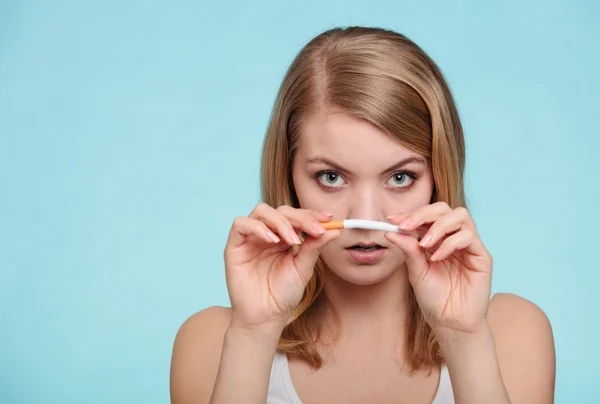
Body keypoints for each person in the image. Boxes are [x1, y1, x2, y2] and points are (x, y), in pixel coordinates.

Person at [169, 26, 556, 404]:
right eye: (332, 177)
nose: (367, 217)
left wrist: (464, 339)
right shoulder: (210, 341)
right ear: (287, 175)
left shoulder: (513, 334)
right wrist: (254, 334)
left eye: (401, 177)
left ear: (439, 176)